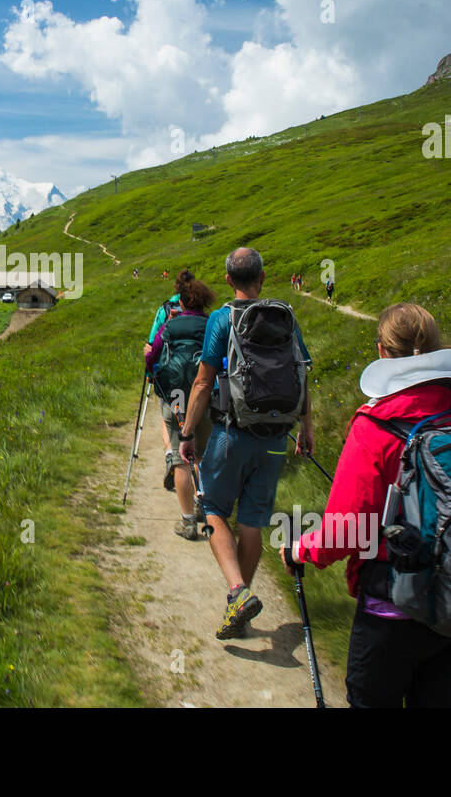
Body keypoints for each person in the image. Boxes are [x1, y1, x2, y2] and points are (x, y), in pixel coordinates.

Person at [280, 303, 451, 707]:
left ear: (381, 351)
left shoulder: (375, 425)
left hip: (395, 605)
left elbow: (348, 529)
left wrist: (299, 549)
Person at [180, 248, 314, 639]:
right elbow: (302, 373)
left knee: (214, 509)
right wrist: (306, 427)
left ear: (227, 280)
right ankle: (241, 600)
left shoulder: (222, 319)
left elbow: (203, 383)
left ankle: (237, 592)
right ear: (264, 277)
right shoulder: (286, 317)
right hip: (275, 437)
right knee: (253, 521)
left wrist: (188, 434)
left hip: (231, 433)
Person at [147, 278, 216, 539]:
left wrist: (150, 370)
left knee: (180, 458)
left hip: (176, 395)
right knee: (201, 455)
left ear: (183, 301)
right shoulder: (212, 324)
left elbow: (152, 354)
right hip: (204, 395)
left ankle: (188, 522)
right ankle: (203, 507)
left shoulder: (170, 325)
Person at [144, 271, 191, 488]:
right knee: (191, 420)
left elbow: (153, 342)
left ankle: (172, 454)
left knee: (168, 417)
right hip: (194, 379)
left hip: (168, 376)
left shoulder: (164, 310)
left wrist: (149, 373)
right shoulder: (199, 309)